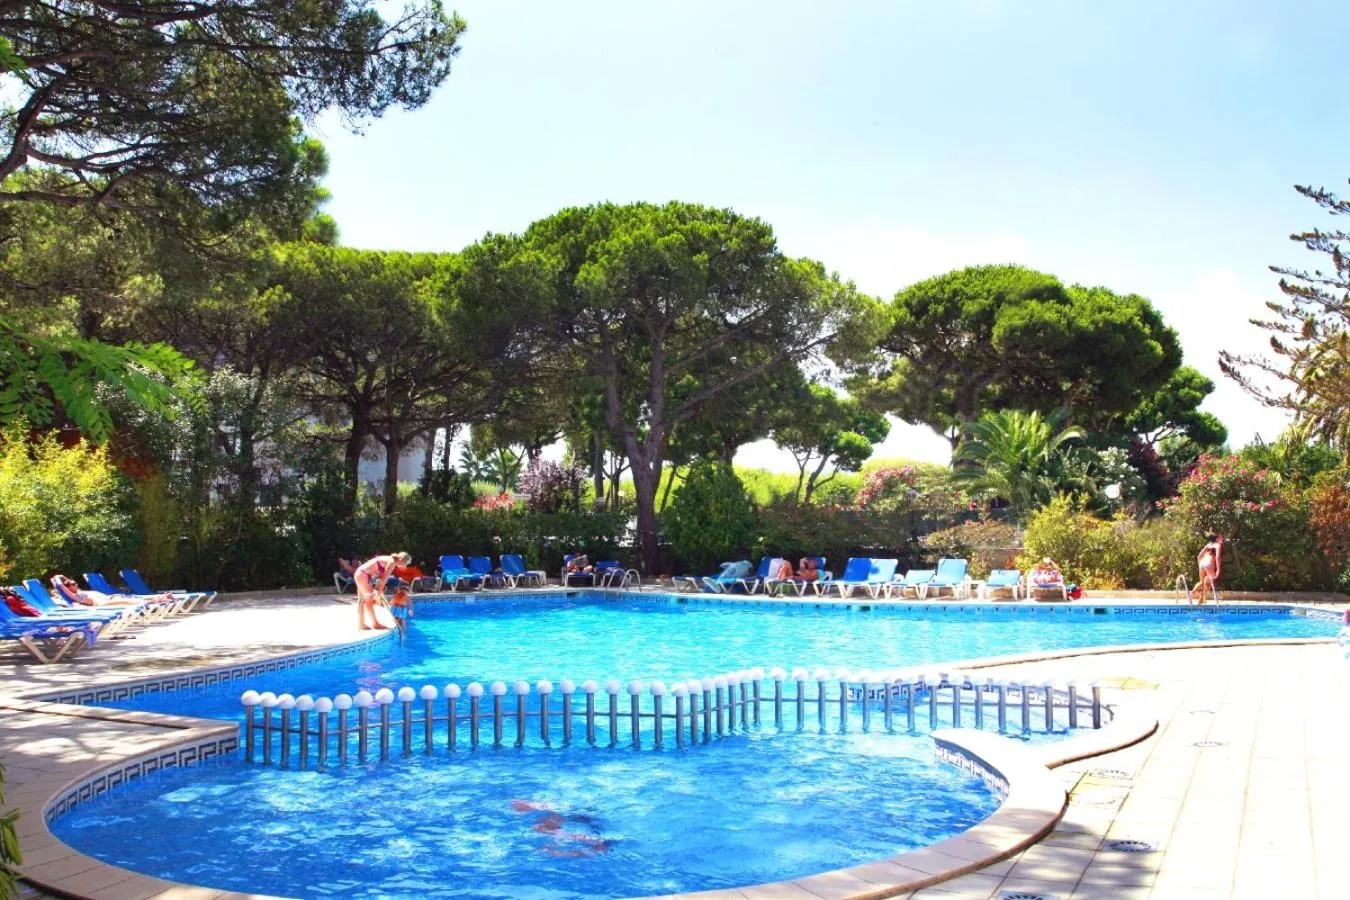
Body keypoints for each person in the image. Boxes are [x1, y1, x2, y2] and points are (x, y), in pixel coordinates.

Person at [353, 552, 411, 631]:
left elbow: (380, 579)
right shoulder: (392, 562)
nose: (405, 566)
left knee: (362, 600)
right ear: (401, 559)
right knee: (369, 601)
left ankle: (361, 624)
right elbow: (383, 580)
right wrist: (378, 593)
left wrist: (378, 592)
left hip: (360, 573)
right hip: (364, 575)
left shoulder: (389, 559)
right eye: (405, 563)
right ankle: (374, 624)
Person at [51, 575, 166, 607]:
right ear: (68, 588)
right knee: (131, 602)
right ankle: (157, 600)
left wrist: (63, 577)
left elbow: (65, 582)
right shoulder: (75, 596)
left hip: (107, 598)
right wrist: (58, 581)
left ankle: (158, 598)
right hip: (103, 603)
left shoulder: (78, 591)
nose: (75, 584)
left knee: (131, 598)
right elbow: (62, 588)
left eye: (75, 583)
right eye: (72, 584)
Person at [1194, 534, 1224, 605]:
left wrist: (1200, 564)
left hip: (1202, 563)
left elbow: (1199, 556)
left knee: (1202, 582)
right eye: (1221, 538)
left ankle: (1193, 595)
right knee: (1209, 582)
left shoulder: (1208, 545)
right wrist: (1218, 570)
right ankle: (1203, 599)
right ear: (1216, 538)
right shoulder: (1218, 545)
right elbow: (1218, 558)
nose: (1223, 539)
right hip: (1209, 564)